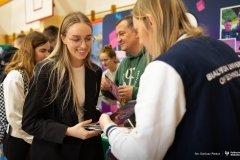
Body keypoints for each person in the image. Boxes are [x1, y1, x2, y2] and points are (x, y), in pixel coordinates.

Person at [99, 0, 240, 159]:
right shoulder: (221, 48)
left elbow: (140, 154)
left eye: (138, 31)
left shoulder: (165, 66)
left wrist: (109, 127)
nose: (142, 40)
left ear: (150, 22)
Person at [22, 12, 104, 160]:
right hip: (54, 151)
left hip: (88, 150)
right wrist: (68, 131)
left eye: (88, 39)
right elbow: (30, 122)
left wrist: (106, 120)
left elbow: (86, 112)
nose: (83, 45)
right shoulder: (46, 70)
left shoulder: (95, 71)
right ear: (63, 38)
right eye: (76, 39)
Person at [3, 31, 50, 160]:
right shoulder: (16, 77)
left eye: (48, 50)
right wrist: (36, 139)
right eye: (42, 51)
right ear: (30, 50)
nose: (47, 55)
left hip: (37, 138)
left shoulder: (39, 72)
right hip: (20, 142)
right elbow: (15, 117)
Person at [101, 15, 151, 126]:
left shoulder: (151, 57)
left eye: (122, 34)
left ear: (136, 32)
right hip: (129, 126)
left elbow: (160, 93)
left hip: (150, 126)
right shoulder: (123, 64)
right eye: (117, 35)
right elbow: (118, 96)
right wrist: (107, 89)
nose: (118, 40)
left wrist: (134, 92)